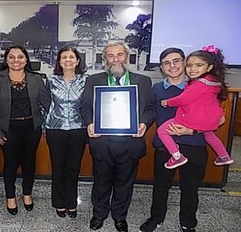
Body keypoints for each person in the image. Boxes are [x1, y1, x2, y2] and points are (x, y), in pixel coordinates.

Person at [81, 42, 155, 231]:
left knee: (124, 184)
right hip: (102, 142)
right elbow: (85, 107)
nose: (115, 59)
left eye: (119, 55)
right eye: (111, 56)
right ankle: (98, 215)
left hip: (130, 142)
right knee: (101, 182)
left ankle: (120, 217)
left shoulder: (143, 81)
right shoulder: (93, 80)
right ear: (105, 59)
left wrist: (144, 124)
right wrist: (90, 123)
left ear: (127, 57)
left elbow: (150, 109)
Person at [139, 47, 209, 232]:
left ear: (184, 62)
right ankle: (156, 219)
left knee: (190, 188)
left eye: (176, 60)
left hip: (194, 145)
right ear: (162, 67)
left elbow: (214, 119)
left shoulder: (199, 88)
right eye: (167, 62)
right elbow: (150, 111)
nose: (172, 65)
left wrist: (191, 130)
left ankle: (188, 223)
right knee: (161, 186)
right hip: (165, 147)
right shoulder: (156, 89)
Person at [0, 45, 50, 215]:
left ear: (26, 59)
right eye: (12, 57)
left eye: (20, 57)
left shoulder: (36, 79)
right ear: (6, 60)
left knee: (29, 163)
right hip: (8, 131)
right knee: (10, 164)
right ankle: (10, 197)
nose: (16, 60)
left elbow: (48, 104)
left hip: (32, 129)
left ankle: (27, 194)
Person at [157, 45, 233, 169]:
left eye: (199, 65)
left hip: (191, 122)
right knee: (210, 134)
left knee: (161, 131)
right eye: (190, 65)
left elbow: (183, 99)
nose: (192, 69)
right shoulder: (213, 82)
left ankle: (176, 156)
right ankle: (224, 156)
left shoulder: (200, 83)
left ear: (209, 67)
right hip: (209, 120)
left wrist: (167, 102)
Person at [45, 46, 88, 218]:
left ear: (77, 61)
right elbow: (45, 104)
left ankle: (71, 203)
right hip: (55, 129)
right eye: (64, 57)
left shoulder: (86, 81)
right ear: (59, 62)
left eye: (72, 57)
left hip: (79, 129)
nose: (68, 60)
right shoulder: (51, 80)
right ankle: (58, 203)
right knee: (57, 168)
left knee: (73, 168)